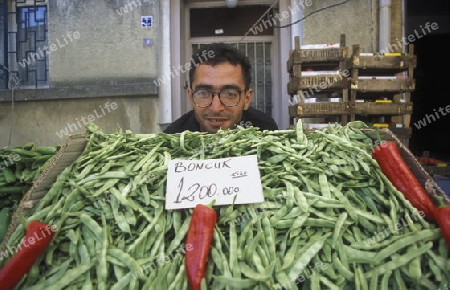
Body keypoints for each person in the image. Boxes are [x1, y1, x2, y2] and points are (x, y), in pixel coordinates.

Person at [164, 42, 278, 134]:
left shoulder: (265, 130)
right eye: (204, 93)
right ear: (190, 97)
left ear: (247, 99)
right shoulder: (172, 139)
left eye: (230, 94)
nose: (216, 108)